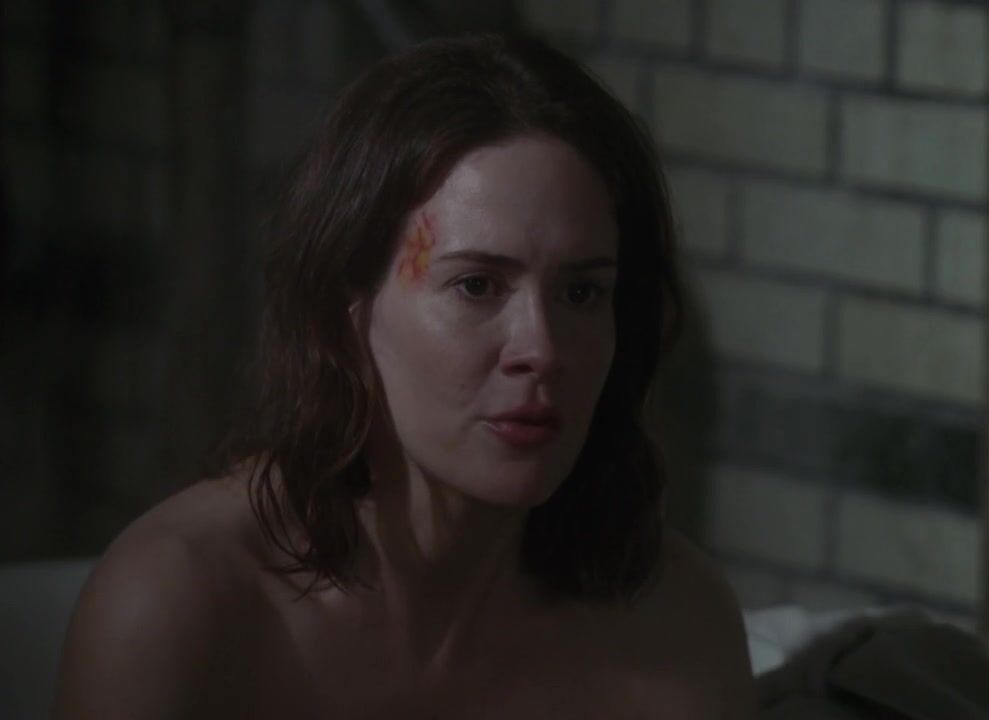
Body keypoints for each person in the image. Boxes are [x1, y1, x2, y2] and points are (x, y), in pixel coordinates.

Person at [53, 34, 757, 718]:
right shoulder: (182, 602)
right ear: (347, 310)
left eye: (581, 293)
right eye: (476, 285)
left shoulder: (672, 623)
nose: (541, 349)